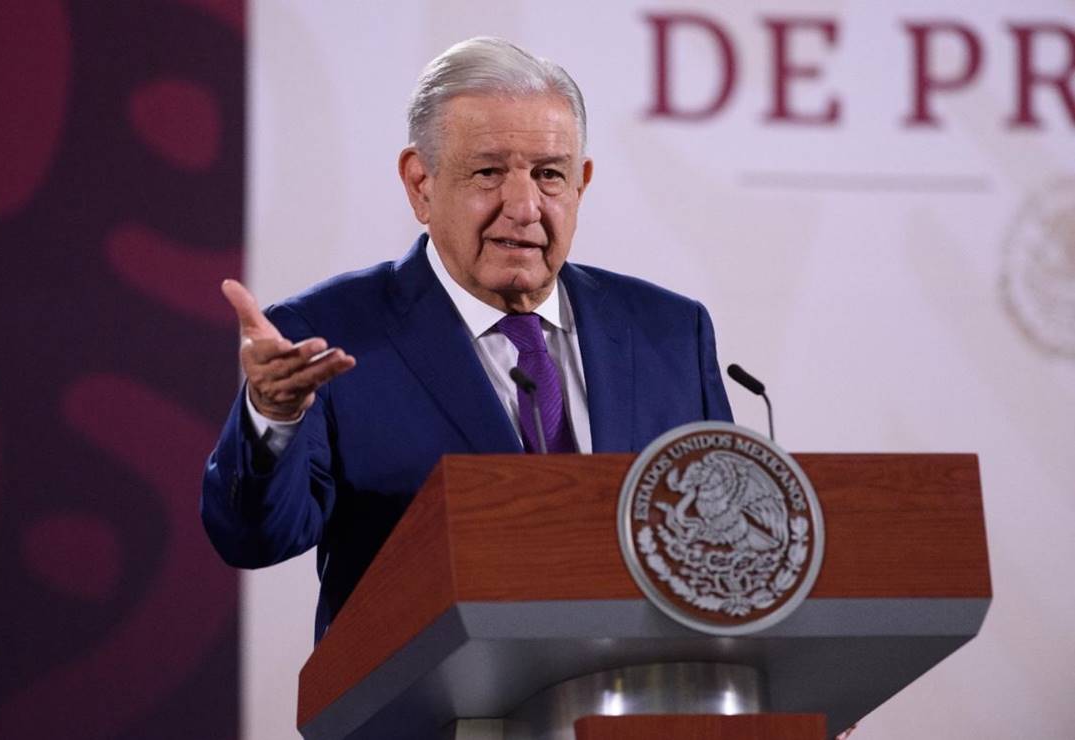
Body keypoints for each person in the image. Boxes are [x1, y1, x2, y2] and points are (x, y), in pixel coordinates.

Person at [201, 37, 733, 642]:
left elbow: (723, 549)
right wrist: (272, 418)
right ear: (421, 184)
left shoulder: (669, 331)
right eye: (488, 172)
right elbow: (254, 539)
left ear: (580, 183)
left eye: (549, 175)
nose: (524, 206)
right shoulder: (327, 337)